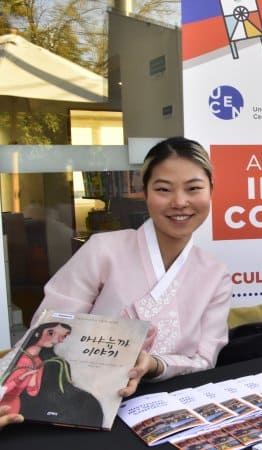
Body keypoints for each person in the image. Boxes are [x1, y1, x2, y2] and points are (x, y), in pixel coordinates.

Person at [23, 137, 232, 399]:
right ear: (144, 192)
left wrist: (153, 365)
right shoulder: (103, 250)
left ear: (211, 190)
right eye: (163, 189)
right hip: (79, 397)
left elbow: (204, 359)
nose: (179, 202)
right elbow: (48, 329)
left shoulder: (215, 274)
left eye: (193, 188)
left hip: (166, 403)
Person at [0, 322, 103, 427]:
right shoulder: (20, 361)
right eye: (50, 333)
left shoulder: (49, 362)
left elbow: (35, 391)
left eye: (63, 336)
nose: (57, 339)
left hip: (36, 410)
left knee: (88, 405)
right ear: (36, 333)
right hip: (12, 410)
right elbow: (11, 390)